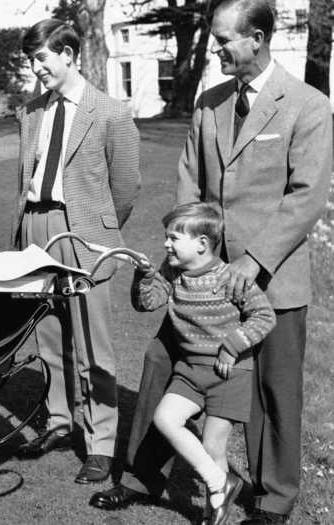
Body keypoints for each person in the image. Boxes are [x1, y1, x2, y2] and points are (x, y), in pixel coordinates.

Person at [91, 1, 332, 523]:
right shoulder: (209, 102)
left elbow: (306, 195)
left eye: (225, 41)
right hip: (200, 275)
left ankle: (272, 499)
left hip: (272, 278)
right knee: (162, 362)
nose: (217, 50)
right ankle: (141, 475)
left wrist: (253, 262)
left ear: (258, 38)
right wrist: (186, 248)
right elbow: (189, 178)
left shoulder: (307, 105)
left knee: (272, 388)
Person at [12, 19, 140, 484]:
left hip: (83, 231)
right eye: (30, 60)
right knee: (49, 335)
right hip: (37, 225)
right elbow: (25, 177)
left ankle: (101, 442)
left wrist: (99, 232)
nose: (35, 68)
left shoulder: (109, 112)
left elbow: (126, 186)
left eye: (41, 58)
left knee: (93, 344)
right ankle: (60, 421)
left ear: (68, 54)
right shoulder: (30, 112)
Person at [132, 203, 275, 525]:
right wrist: (145, 276)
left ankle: (214, 513)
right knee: (166, 418)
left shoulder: (230, 277)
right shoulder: (172, 273)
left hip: (230, 372)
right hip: (190, 370)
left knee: (213, 445)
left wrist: (232, 346)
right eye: (166, 238)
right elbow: (147, 302)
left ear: (202, 244)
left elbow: (264, 316)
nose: (166, 244)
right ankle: (219, 481)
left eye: (173, 238)